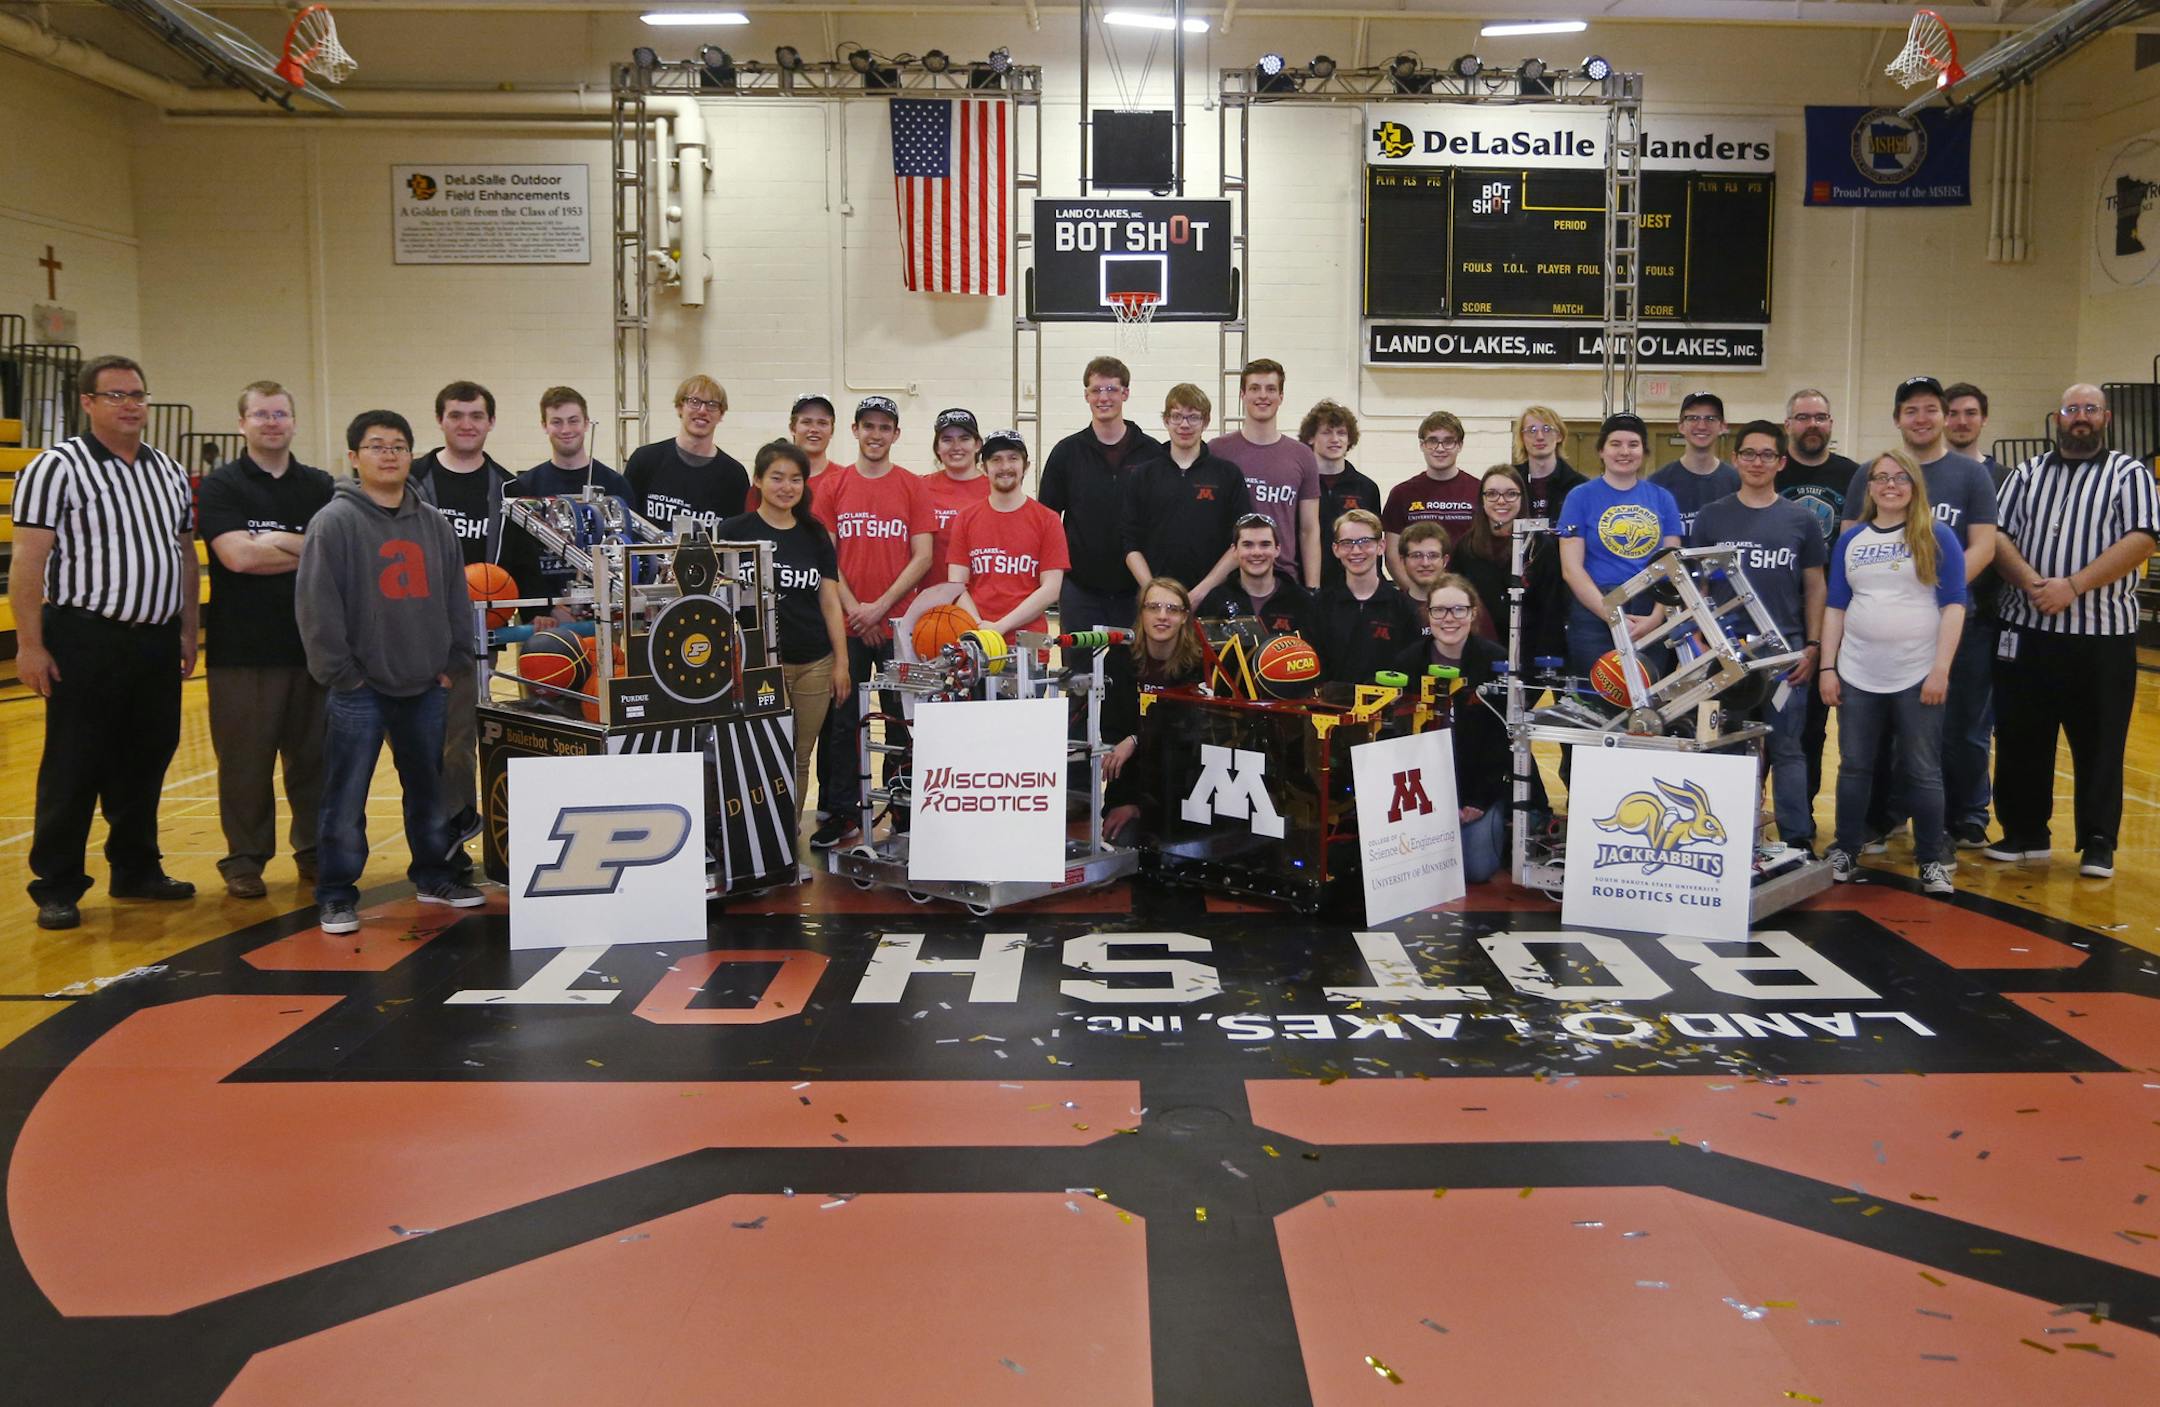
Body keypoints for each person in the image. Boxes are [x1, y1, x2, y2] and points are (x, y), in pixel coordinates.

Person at [10, 355, 199, 930]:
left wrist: (189, 629)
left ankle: (136, 868)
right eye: (115, 394)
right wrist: (29, 644)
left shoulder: (167, 470)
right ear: (88, 403)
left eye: (137, 394)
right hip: (86, 636)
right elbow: (28, 560)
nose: (131, 404)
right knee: (75, 762)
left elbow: (184, 555)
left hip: (156, 639)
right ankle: (58, 883)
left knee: (147, 757)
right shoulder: (55, 467)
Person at [296, 410, 485, 934]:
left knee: (427, 790)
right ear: (354, 458)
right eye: (377, 447)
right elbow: (317, 607)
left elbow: (454, 596)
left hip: (425, 684)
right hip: (360, 689)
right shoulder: (334, 522)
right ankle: (336, 893)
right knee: (346, 795)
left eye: (399, 446)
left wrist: (451, 662)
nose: (389, 455)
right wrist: (345, 675)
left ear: (410, 456)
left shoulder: (434, 524)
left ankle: (434, 875)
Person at [1985, 386, 2158, 879]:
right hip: (2026, 626)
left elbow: (2143, 538)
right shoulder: (2025, 473)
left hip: (2101, 635)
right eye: (2070, 409)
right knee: (2020, 737)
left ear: (2104, 417)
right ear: (2057, 418)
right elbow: (1998, 534)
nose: (2079, 418)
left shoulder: (2131, 473)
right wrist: (2032, 583)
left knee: (2100, 741)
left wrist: (2074, 586)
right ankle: (2025, 833)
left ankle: (2098, 842)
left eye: (2089, 410)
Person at [1841, 376, 1998, 853]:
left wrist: (1934, 593)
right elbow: (1850, 545)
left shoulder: (1972, 475)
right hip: (1881, 641)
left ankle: (1963, 818)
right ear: (1897, 419)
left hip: (1954, 628)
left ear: (1944, 416)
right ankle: (1885, 817)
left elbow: (1985, 546)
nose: (1923, 418)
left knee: (1959, 730)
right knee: (1884, 736)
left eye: (1932, 409)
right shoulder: (1870, 472)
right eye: (1912, 410)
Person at [198, 379, 335, 899]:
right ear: (242, 423)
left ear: (294, 422)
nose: (272, 422)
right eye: (261, 414)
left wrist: (272, 539)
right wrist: (303, 546)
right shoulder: (221, 486)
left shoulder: (320, 485)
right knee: (245, 765)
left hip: (313, 648)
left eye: (280, 413)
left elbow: (334, 551)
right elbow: (237, 557)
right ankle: (244, 860)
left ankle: (316, 852)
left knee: (315, 763)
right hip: (242, 653)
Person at [1818, 450, 1966, 896]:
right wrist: (1829, 666)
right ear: (1870, 487)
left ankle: (1931, 859)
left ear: (1914, 485)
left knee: (1923, 770)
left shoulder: (1936, 536)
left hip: (1918, 673)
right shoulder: (1852, 540)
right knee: (1856, 766)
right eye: (1881, 478)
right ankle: (1845, 848)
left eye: (1901, 477)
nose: (1890, 485)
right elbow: (1835, 607)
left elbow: (1954, 605)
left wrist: (1941, 668)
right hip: (1859, 673)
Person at [1690, 422, 1826, 854]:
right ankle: (1724, 837)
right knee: (1724, 749)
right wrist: (1705, 644)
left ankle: (1796, 838)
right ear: (1735, 459)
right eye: (1748, 453)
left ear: (1781, 463)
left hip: (1785, 657)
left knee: (1788, 749)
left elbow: (1816, 588)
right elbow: (1700, 590)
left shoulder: (1800, 520)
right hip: (1728, 658)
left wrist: (1814, 647)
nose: (1757, 462)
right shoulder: (1712, 517)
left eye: (1767, 455)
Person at [809, 395, 934, 849]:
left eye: (885, 427)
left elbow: (923, 557)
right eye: (868, 426)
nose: (876, 435)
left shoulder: (912, 486)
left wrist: (879, 607)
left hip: (899, 626)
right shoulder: (834, 486)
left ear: (896, 434)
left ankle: (902, 812)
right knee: (843, 721)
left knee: (902, 721)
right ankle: (843, 812)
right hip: (847, 627)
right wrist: (858, 609)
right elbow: (825, 556)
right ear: (856, 431)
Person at [720, 441, 850, 839]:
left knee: (799, 755)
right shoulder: (732, 531)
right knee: (758, 753)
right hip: (757, 665)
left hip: (814, 662)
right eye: (776, 477)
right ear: (758, 480)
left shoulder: (814, 535)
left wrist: (842, 662)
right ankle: (749, 836)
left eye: (795, 479)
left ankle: (784, 833)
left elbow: (829, 602)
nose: (786, 486)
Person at [408, 381, 512, 872]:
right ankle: (425, 846)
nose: (466, 423)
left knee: (457, 749)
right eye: (456, 415)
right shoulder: (411, 480)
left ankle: (451, 843)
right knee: (412, 749)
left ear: (491, 422)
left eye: (476, 415)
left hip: (469, 642)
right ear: (441, 421)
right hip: (409, 636)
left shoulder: (508, 489)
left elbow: (520, 564)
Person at [1039, 356, 1161, 653]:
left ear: (1125, 393)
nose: (1103, 397)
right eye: (1096, 390)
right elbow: (1047, 520)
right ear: (1086, 395)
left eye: (1111, 389)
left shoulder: (1153, 453)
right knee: (1080, 682)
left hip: (1137, 591)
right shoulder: (1067, 453)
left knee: (1132, 684)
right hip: (1080, 591)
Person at [1779, 388, 1861, 815]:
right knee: (1757, 724)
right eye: (1804, 417)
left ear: (1831, 424)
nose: (1813, 425)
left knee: (1813, 727)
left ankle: (1801, 816)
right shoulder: (1771, 468)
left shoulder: (1854, 475)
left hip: (1831, 617)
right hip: (1772, 612)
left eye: (1821, 417)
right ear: (1788, 425)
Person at [1555, 413, 1683, 685]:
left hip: (1649, 609)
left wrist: (1657, 617)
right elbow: (1571, 569)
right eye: (1615, 444)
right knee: (1598, 700)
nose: (1624, 451)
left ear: (1644, 451)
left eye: (1633, 444)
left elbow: (1671, 567)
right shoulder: (1580, 497)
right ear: (1601, 451)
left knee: (1645, 701)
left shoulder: (1663, 499)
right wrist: (1613, 616)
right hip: (1595, 610)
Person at [1399, 575, 1509, 884]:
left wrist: (1478, 800)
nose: (1449, 619)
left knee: (1476, 869)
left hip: (1476, 790)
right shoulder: (1407, 662)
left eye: (1459, 610)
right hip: (1421, 793)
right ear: (1428, 614)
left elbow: (1504, 742)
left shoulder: (1496, 663)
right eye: (1440, 610)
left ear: (1473, 613)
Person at [1941, 380, 2011, 849]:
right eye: (1953, 413)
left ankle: (1969, 815)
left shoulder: (2005, 479)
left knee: (1970, 727)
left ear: (1984, 419)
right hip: (1918, 618)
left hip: (1979, 618)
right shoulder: (1920, 473)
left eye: (1970, 413)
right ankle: (1905, 810)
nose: (1961, 421)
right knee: (1912, 725)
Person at [504, 387, 636, 622]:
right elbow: (519, 560)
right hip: (545, 620)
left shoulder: (615, 485)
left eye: (573, 421)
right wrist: (544, 608)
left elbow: (629, 551)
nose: (565, 430)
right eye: (557, 422)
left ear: (586, 423)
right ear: (544, 425)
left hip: (603, 616)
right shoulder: (524, 488)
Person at [1101, 577, 1209, 843]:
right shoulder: (1117, 659)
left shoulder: (1199, 663)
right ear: (1141, 613)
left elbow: (1188, 735)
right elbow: (1114, 739)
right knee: (1124, 844)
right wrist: (1124, 801)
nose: (1162, 616)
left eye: (1172, 609)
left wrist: (1137, 738)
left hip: (1184, 788)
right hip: (1133, 785)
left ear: (1185, 617)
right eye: (1153, 607)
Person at [1122, 383, 1251, 602]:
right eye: (1177, 416)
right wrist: (1154, 592)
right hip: (1155, 602)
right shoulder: (1143, 475)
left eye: (1193, 417)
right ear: (1166, 420)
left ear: (1206, 422)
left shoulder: (1228, 475)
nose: (1184, 424)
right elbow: (1129, 543)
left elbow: (1240, 542)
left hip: (1213, 598)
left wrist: (1201, 592)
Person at [1209, 358, 1322, 588]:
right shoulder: (1217, 450)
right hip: (1228, 580)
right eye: (1254, 388)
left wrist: (1312, 588)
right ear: (1242, 395)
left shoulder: (1302, 455)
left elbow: (1309, 530)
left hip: (1283, 579)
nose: (1263, 396)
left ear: (1281, 396)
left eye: (1271, 389)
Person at [948, 430, 1069, 638]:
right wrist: (980, 628)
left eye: (1013, 458)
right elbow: (956, 585)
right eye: (996, 460)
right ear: (983, 468)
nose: (1005, 467)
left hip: (1029, 643)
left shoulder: (1048, 520)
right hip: (977, 639)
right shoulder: (965, 519)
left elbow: (1051, 588)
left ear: (1026, 466)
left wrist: (1000, 627)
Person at [1455, 465, 1564, 659]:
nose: (1501, 501)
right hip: (1478, 652)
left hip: (1528, 652)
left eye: (1511, 494)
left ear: (1522, 498)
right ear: (1482, 499)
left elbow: (1551, 609)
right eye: (1492, 494)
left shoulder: (1539, 547)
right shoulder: (1466, 547)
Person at [626, 375, 751, 533]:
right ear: (680, 407)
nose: (702, 411)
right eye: (694, 402)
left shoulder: (734, 475)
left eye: (712, 405)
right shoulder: (645, 460)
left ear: (721, 414)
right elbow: (625, 521)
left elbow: (737, 536)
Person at [1313, 508, 1422, 685]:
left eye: (1365, 542)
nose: (1356, 550)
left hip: (1387, 708)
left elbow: (1411, 669)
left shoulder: (1403, 608)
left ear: (1381, 546)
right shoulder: (1320, 605)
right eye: (1347, 543)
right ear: (1336, 549)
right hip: (1330, 708)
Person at [1383, 410, 1480, 582]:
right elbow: (1392, 555)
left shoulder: (1479, 490)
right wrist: (1415, 595)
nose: (1440, 448)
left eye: (1448, 441)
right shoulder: (1401, 494)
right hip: (1418, 596)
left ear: (1460, 445)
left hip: (1467, 595)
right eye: (1432, 441)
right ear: (1422, 445)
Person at [1300, 399, 1381, 590]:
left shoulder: (1367, 487)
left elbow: (1375, 543)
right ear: (1311, 438)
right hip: (1306, 586)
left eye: (1341, 433)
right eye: (1327, 432)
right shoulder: (1298, 485)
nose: (1335, 439)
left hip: (1352, 589)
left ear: (1349, 438)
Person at [1199, 512, 1314, 638]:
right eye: (1247, 545)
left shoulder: (1301, 602)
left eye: (1265, 544)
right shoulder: (1216, 600)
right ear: (1234, 550)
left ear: (1277, 550)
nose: (1256, 552)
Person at [1649, 390, 1740, 539]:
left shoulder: (1737, 482)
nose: (1702, 426)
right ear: (1681, 426)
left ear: (1722, 426)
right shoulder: (1658, 483)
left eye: (1710, 418)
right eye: (1693, 418)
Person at [922, 408, 992, 573]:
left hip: (979, 596)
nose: (956, 447)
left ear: (977, 445)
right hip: (931, 595)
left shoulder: (995, 491)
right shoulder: (920, 488)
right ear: (937, 448)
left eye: (964, 439)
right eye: (947, 440)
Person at [1514, 405, 1584, 523]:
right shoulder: (1510, 481)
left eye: (1547, 429)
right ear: (1522, 437)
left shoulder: (1579, 486)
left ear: (1559, 436)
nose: (1540, 437)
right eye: (1532, 430)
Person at [790, 394, 841, 479]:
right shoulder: (770, 480)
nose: (814, 429)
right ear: (792, 428)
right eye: (806, 422)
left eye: (822, 423)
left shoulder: (844, 479)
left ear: (832, 431)